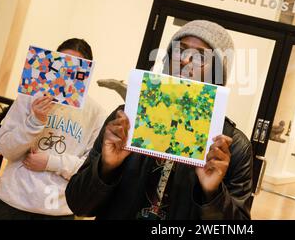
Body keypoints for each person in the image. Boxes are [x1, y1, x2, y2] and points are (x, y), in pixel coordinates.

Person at [65, 20, 253, 220]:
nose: (185, 60)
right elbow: (79, 204)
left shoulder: (232, 147)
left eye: (199, 57)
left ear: (218, 73)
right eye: (179, 51)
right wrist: (106, 168)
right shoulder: (126, 120)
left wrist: (213, 193)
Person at [0, 39, 106, 220]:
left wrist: (50, 162)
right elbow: (6, 148)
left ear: (85, 73)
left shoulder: (95, 112)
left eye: (74, 68)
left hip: (57, 210)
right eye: (61, 64)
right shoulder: (29, 97)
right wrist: (34, 121)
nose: (65, 74)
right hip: (9, 202)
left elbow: (88, 169)